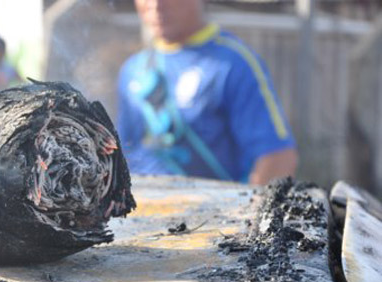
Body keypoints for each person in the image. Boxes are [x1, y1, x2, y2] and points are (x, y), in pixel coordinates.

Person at [117, 0, 298, 185]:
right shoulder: (133, 70)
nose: (155, 5)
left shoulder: (233, 63)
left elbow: (278, 157)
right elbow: (124, 154)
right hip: (142, 209)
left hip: (214, 210)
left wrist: (247, 212)